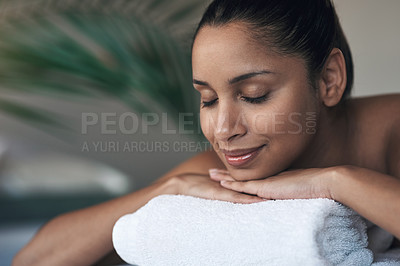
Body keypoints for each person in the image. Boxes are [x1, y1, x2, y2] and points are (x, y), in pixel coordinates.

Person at [13, 0, 400, 265]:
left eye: (254, 95)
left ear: (328, 79)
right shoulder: (221, 171)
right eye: (209, 99)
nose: (223, 130)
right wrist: (166, 188)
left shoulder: (393, 130)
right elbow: (31, 259)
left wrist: (337, 181)